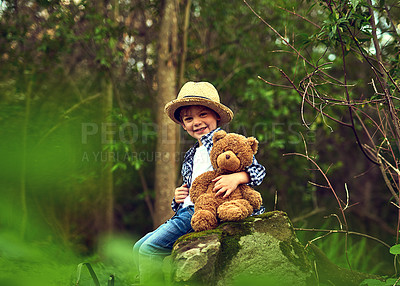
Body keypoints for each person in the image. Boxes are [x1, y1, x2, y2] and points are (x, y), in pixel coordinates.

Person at [133, 81, 266, 284]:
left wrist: (237, 177)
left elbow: (258, 171)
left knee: (149, 250)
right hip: (187, 209)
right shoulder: (191, 154)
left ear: (217, 116)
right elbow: (194, 187)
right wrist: (178, 198)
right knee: (137, 248)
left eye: (203, 115)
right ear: (183, 124)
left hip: (206, 210)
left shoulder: (226, 142)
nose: (196, 122)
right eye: (189, 118)